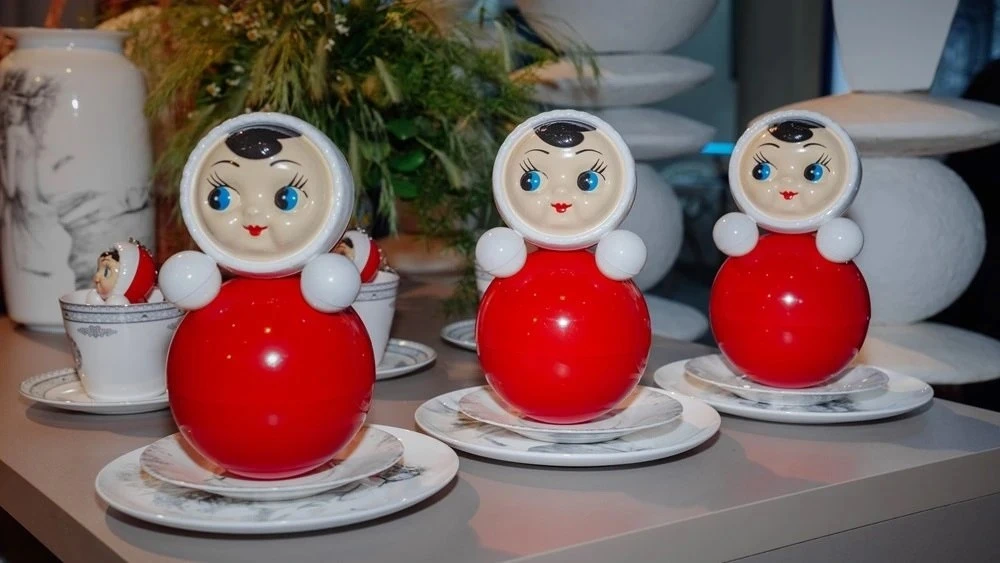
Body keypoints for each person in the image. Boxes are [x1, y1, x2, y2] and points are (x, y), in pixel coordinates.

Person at [713, 109, 864, 264]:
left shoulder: (835, 243)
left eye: (813, 172)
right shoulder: (741, 239)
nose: (787, 181)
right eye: (762, 171)